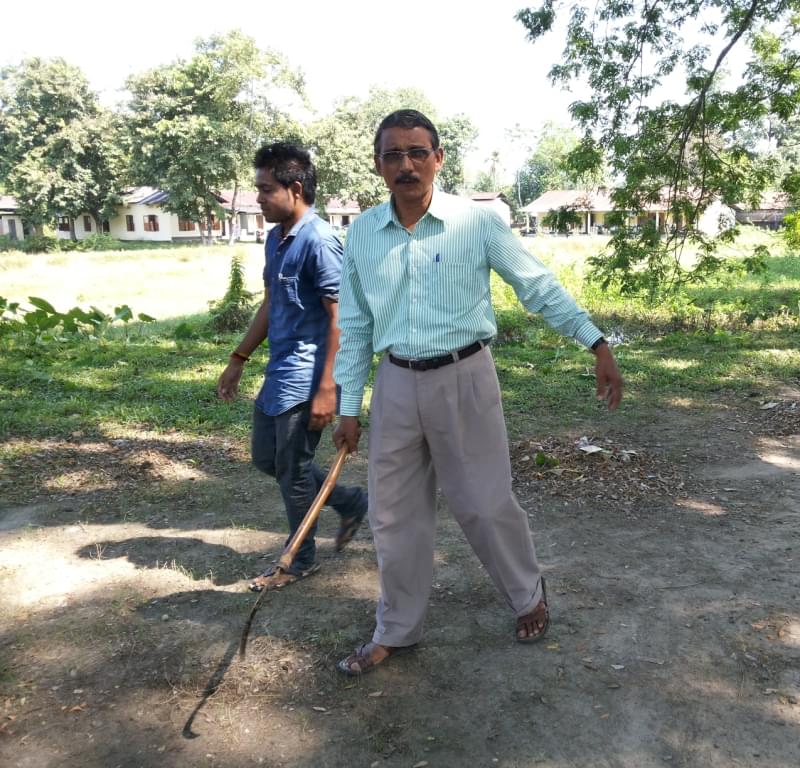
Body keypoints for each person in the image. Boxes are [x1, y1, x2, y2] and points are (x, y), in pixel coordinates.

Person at [332, 109, 623, 674]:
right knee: (392, 517)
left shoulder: (476, 222)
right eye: (393, 155)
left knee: (485, 505)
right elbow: (357, 327)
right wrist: (349, 405)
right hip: (394, 383)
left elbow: (535, 284)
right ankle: (397, 626)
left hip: (464, 377)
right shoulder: (363, 232)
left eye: (418, 152)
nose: (406, 165)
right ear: (378, 165)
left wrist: (597, 343)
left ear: (438, 159)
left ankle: (527, 594)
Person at [217, 142, 367, 592]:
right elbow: (270, 302)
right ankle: (350, 500)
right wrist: (238, 359)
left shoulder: (320, 243)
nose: (258, 199)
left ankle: (298, 559)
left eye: (265, 190)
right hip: (279, 374)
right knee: (268, 460)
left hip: (309, 378)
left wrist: (328, 390)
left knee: (294, 468)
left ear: (294, 188)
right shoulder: (276, 238)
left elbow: (342, 318)